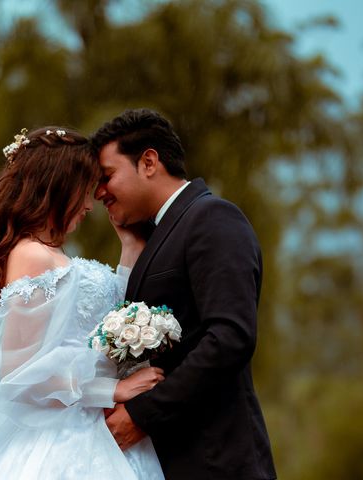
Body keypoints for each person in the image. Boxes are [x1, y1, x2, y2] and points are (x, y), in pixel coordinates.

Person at [0, 126, 166, 479]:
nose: (88, 205)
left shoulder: (53, 253)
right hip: (63, 437)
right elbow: (18, 372)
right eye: (83, 191)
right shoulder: (31, 255)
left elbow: (110, 310)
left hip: (96, 426)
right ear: (58, 187)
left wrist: (129, 246)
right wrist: (111, 388)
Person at [92, 109, 277, 480]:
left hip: (217, 460)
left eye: (107, 176)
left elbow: (230, 338)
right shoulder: (159, 233)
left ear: (148, 162)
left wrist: (143, 415)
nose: (98, 193)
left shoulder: (212, 218)